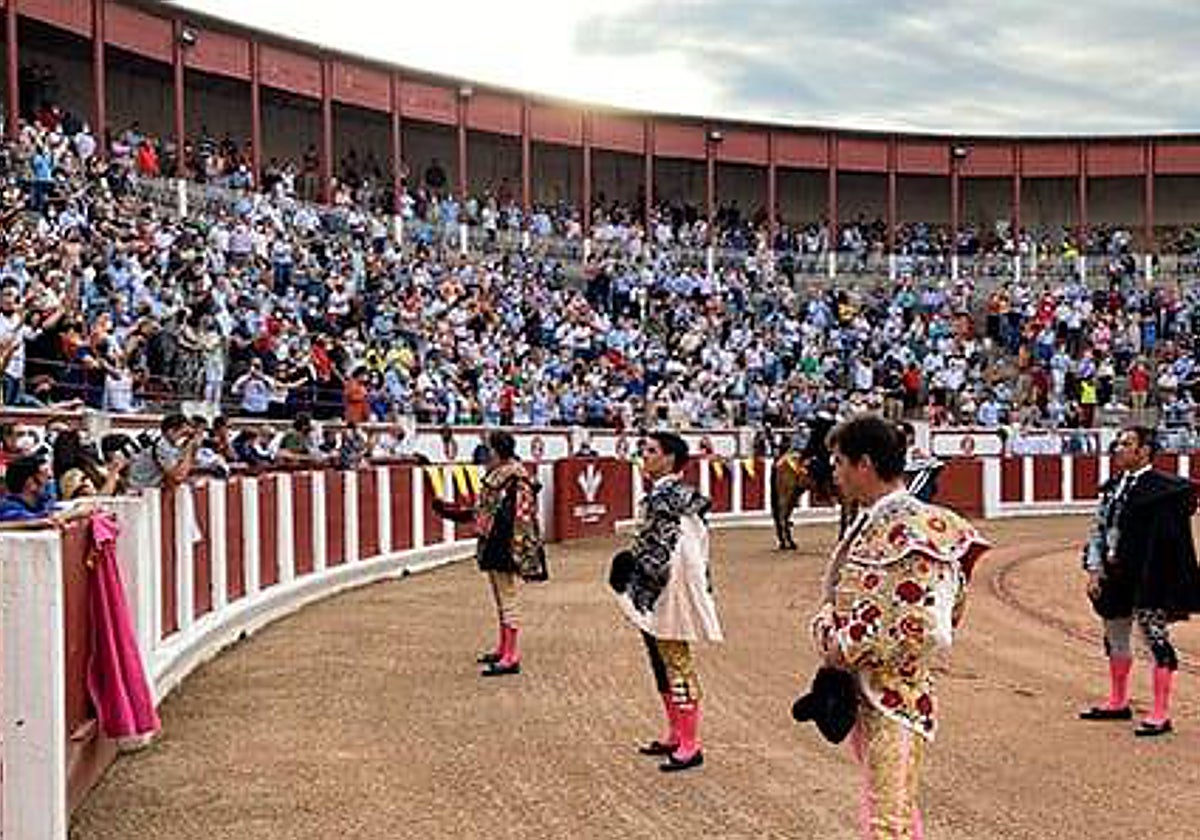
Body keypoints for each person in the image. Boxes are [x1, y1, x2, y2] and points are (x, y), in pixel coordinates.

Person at [810, 414, 989, 838]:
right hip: (870, 687)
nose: (834, 472)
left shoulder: (911, 526)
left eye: (839, 462)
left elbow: (926, 626)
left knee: (888, 819)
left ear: (865, 464)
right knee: (891, 808)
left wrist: (838, 642)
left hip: (895, 695)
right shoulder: (877, 520)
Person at [609, 431, 722, 773]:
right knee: (661, 661)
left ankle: (690, 743)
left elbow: (687, 553)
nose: (644, 455)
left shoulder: (673, 498)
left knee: (676, 661)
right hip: (656, 589)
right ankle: (676, 734)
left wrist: (660, 585)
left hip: (670, 592)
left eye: (651, 450)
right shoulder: (664, 496)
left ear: (670, 458)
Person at [1079, 426, 1200, 736]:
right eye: (1119, 443)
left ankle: (1161, 713)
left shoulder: (1164, 491)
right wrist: (1094, 569)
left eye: (1127, 444)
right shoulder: (1113, 487)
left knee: (1156, 640)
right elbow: (1099, 529)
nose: (1118, 448)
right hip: (1114, 575)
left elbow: (1170, 544)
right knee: (1115, 636)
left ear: (1144, 451)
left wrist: (1164, 581)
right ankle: (1118, 701)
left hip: (1149, 578)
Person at [430, 430, 546, 677]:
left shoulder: (513, 479)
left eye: (489, 450)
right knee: (502, 599)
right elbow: (483, 513)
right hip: (497, 544)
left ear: (497, 452)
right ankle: (504, 649)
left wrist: (508, 547)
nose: (486, 455)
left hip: (505, 546)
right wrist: (448, 511)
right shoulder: (504, 477)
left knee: (507, 599)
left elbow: (516, 519)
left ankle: (511, 657)